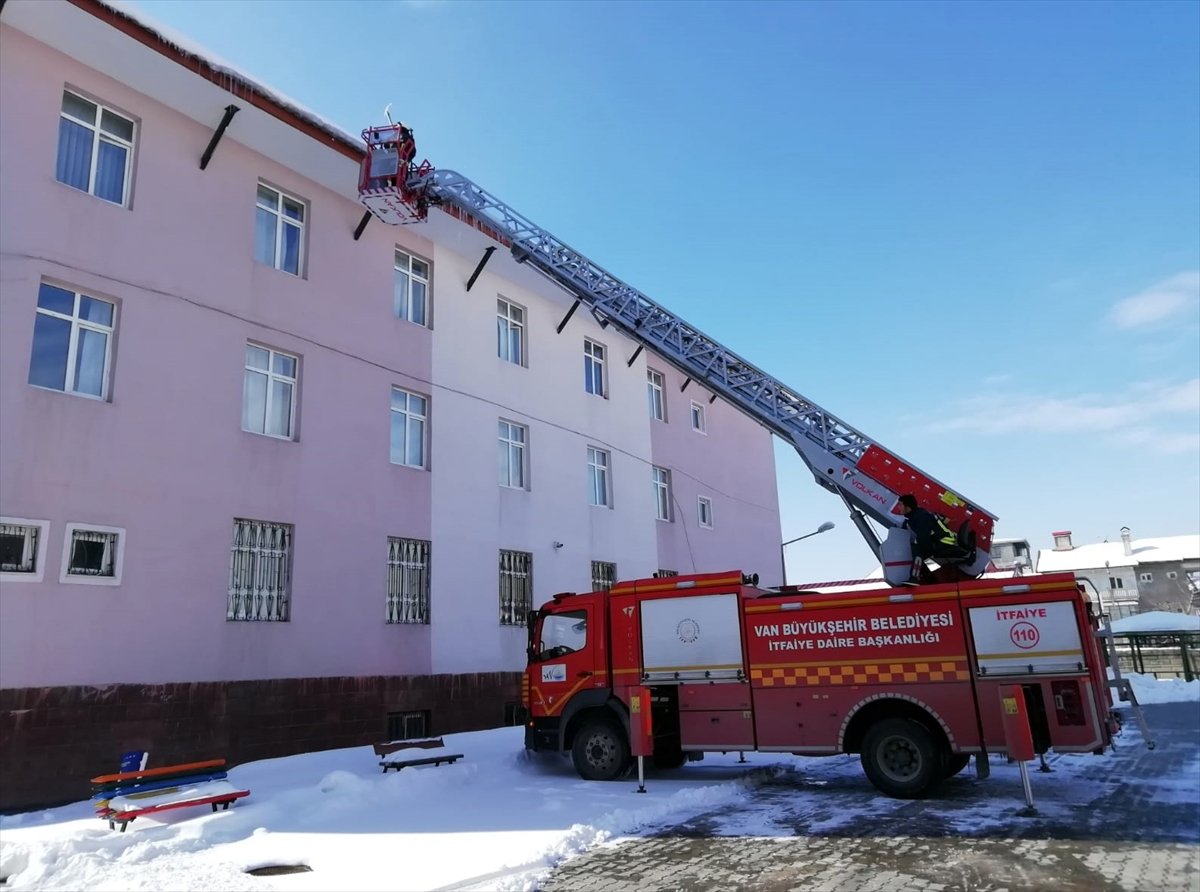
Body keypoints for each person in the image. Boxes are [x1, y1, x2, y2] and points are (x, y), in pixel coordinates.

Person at [894, 493, 963, 583]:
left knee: (917, 549)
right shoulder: (911, 518)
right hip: (937, 541)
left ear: (907, 506)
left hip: (945, 541)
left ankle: (915, 578)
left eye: (900, 504)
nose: (898, 507)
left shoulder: (922, 516)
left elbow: (923, 538)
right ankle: (930, 581)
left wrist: (916, 547)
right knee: (917, 551)